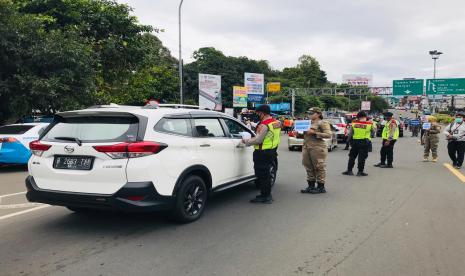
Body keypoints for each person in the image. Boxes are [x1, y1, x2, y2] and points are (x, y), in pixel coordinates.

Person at [243, 104, 281, 203]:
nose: (257, 115)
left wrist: (245, 142)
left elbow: (258, 140)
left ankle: (266, 196)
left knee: (262, 175)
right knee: (266, 174)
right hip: (272, 150)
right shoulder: (276, 122)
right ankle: (266, 194)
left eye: (258, 113)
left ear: (262, 113)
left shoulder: (264, 125)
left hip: (262, 152)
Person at [300, 107, 332, 194]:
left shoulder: (323, 123)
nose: (309, 114)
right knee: (308, 167)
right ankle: (311, 186)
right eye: (309, 113)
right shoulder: (307, 123)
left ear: (318, 114)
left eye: (312, 113)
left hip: (318, 148)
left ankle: (321, 187)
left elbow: (328, 134)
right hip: (307, 147)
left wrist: (315, 133)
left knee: (319, 167)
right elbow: (305, 134)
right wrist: (299, 132)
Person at [342, 111, 373, 176]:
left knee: (352, 156)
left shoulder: (354, 123)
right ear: (365, 116)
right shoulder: (369, 124)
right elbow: (373, 133)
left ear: (358, 117)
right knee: (362, 158)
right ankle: (360, 172)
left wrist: (348, 140)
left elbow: (351, 133)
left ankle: (349, 171)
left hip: (355, 142)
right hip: (365, 142)